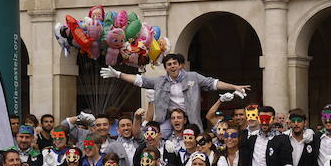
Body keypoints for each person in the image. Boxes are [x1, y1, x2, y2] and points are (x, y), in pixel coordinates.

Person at [101, 50, 250, 129]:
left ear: (180, 65)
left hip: (191, 119)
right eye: (169, 64)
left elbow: (214, 83)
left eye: (174, 63)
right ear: (165, 68)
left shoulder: (193, 77)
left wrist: (234, 86)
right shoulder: (159, 81)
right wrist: (119, 74)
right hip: (167, 119)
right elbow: (139, 80)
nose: (172, 66)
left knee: (194, 139)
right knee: (162, 135)